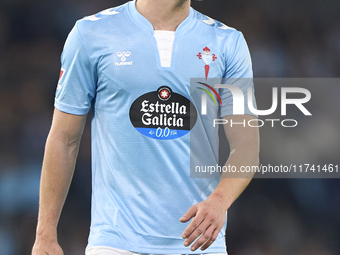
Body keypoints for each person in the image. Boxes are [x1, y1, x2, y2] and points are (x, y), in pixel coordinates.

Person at [32, 0, 260, 254]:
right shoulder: (91, 34)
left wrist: (220, 201)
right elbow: (64, 140)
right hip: (115, 242)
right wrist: (45, 235)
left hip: (200, 243)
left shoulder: (227, 41)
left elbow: (246, 144)